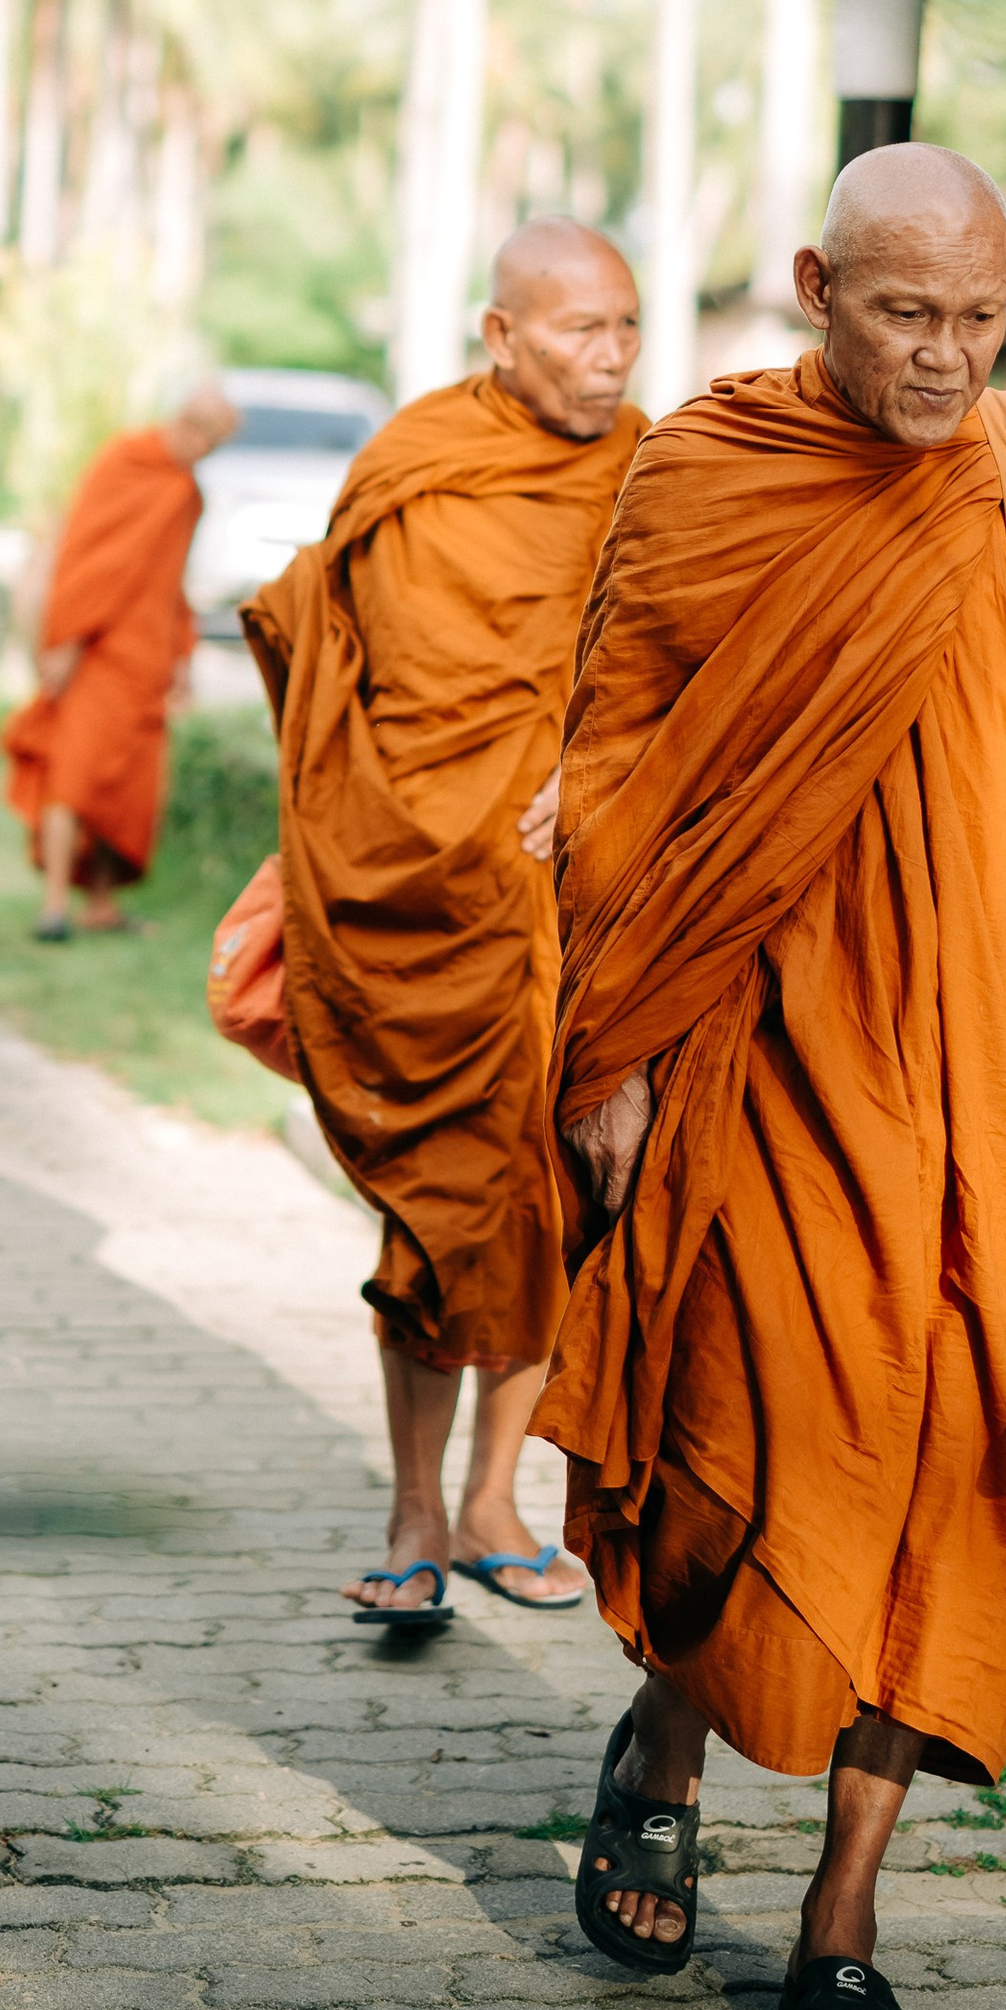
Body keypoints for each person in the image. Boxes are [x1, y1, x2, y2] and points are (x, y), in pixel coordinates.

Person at [538, 142, 1006, 2010]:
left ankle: (840, 1924)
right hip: (760, 1036)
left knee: (931, 1483)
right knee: (730, 1460)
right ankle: (663, 1741)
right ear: (814, 283)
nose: (945, 355)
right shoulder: (703, 472)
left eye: (978, 318)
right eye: (906, 313)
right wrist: (614, 1049)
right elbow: (612, 745)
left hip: (976, 1058)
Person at [243, 222, 645, 1629]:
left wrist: (586, 782)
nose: (610, 360)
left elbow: (668, 675)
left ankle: (493, 1505)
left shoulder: (644, 476)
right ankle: (415, 1509)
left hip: (555, 910)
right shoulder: (413, 464)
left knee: (553, 1205)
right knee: (433, 1212)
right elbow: (326, 654)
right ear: (500, 334)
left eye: (627, 331)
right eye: (581, 331)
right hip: (416, 900)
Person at [1, 385, 238, 940]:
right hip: (97, 651)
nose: (203, 452)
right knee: (73, 774)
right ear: (185, 421)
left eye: (215, 446)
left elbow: (174, 581)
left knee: (129, 788)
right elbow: (86, 558)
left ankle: (101, 904)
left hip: (147, 657)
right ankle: (55, 904)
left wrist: (184, 655)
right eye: (203, 437)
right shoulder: (122, 460)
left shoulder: (185, 494)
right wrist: (66, 641)